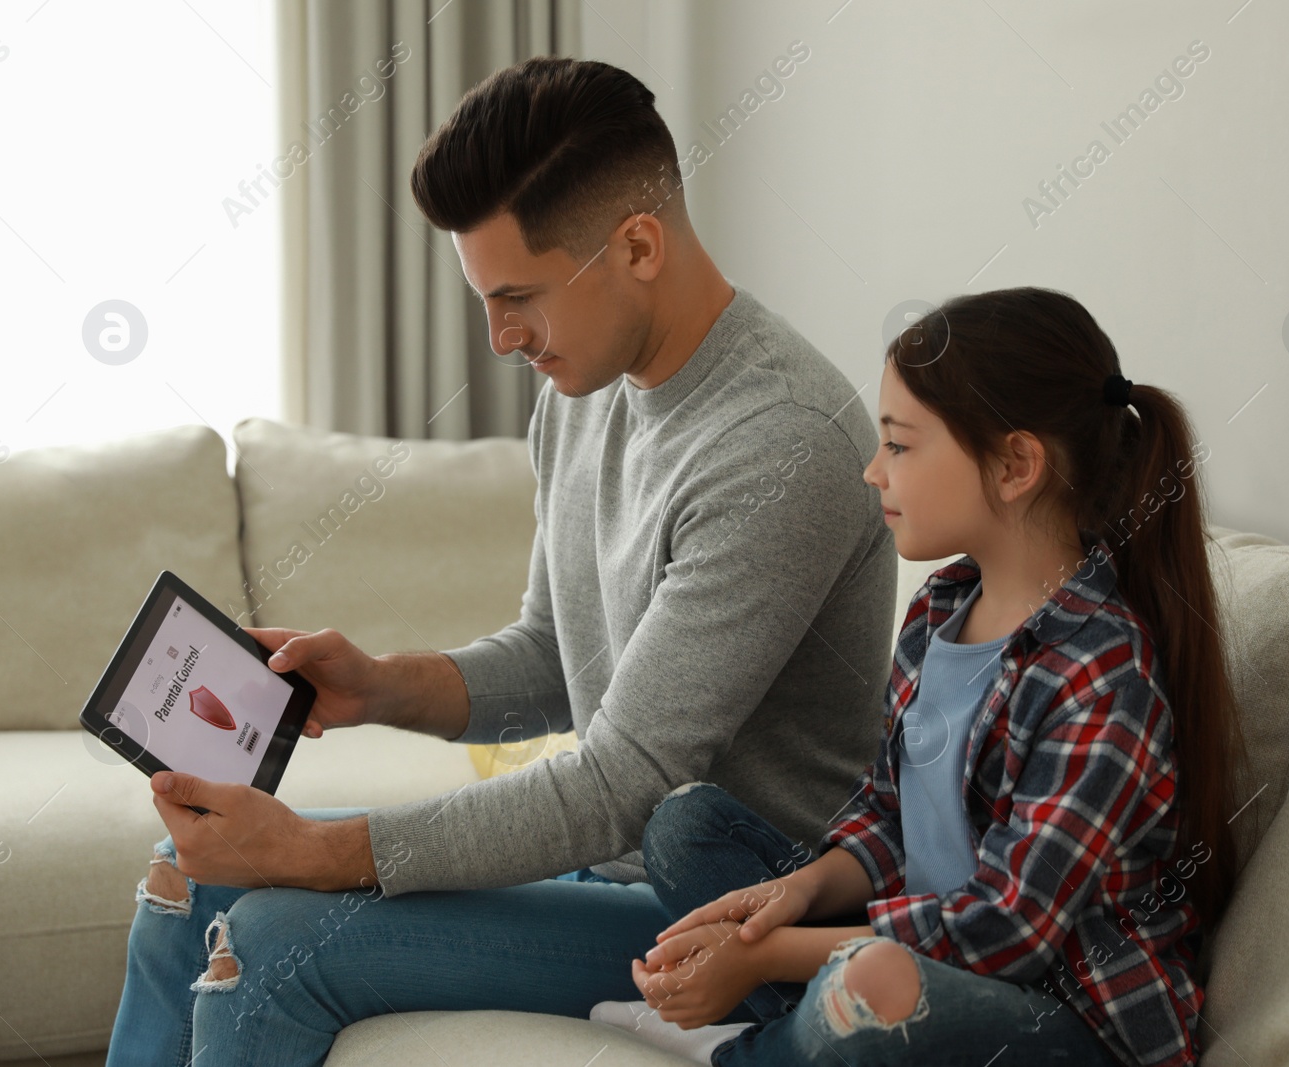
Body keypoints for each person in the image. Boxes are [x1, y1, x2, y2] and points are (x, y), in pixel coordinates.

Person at [105, 56, 897, 1066]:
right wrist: (382, 684)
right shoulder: (587, 390)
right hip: (601, 865)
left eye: (517, 295)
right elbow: (553, 655)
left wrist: (313, 849)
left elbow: (622, 782)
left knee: (268, 945)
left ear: (638, 245)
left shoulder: (776, 443)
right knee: (188, 878)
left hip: (715, 912)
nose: (498, 336)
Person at [591, 287, 1249, 1066]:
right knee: (685, 828)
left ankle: (751, 1046)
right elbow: (888, 815)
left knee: (881, 984)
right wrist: (796, 895)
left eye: (899, 445)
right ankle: (809, 1025)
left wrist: (767, 957)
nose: (873, 471)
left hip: (1059, 1018)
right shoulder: (940, 608)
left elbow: (1010, 928)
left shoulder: (1102, 676)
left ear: (1014, 465)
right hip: (914, 956)